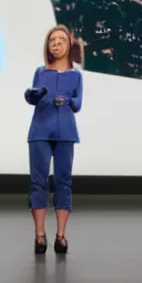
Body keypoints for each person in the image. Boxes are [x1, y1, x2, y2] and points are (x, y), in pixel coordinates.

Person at [24, 25, 84, 255]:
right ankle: (40, 235)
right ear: (48, 47)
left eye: (60, 40)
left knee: (63, 182)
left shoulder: (76, 76)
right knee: (37, 182)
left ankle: (61, 235)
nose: (56, 44)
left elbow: (78, 104)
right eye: (52, 41)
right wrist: (32, 94)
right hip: (40, 130)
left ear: (68, 45)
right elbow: (32, 95)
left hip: (66, 132)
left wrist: (67, 100)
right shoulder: (41, 71)